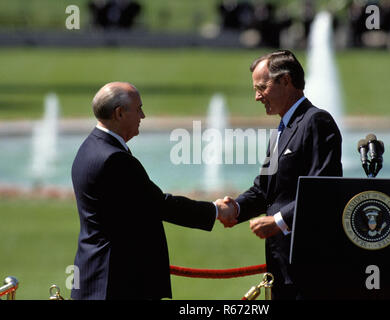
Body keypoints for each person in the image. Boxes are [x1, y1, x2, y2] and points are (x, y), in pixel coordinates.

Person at [71, 82, 237, 300]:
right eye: (138, 109)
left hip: (96, 275)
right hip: (116, 282)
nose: (143, 115)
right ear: (120, 113)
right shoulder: (114, 158)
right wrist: (215, 211)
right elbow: (159, 205)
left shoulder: (90, 146)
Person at [218, 50, 343, 299]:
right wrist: (235, 208)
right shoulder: (282, 130)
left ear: (285, 81)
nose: (256, 97)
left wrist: (277, 221)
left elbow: (324, 189)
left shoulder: (317, 121)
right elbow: (264, 189)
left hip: (310, 266)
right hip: (282, 265)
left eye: (262, 87)